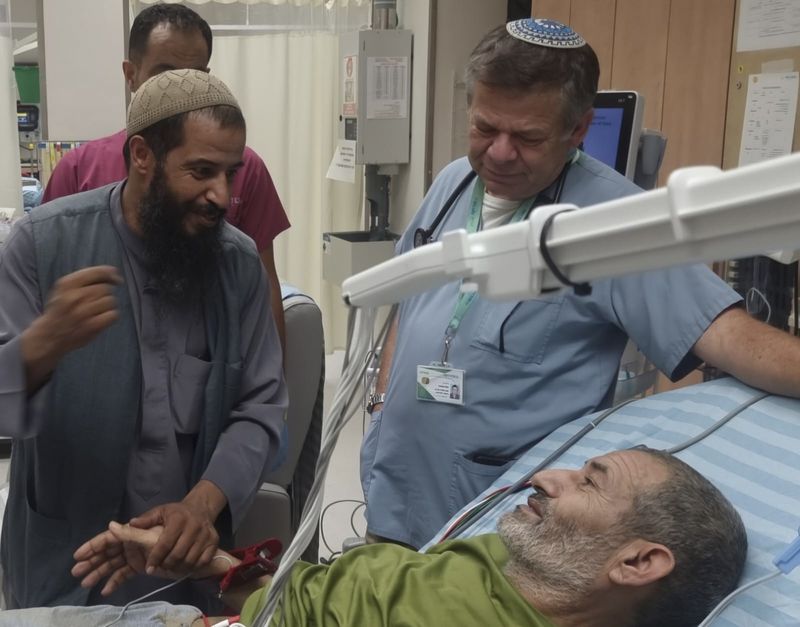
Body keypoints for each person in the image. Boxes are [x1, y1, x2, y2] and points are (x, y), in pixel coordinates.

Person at [361, 17, 800, 549]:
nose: (498, 153)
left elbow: (727, 336)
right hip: (397, 488)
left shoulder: (613, 220)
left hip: (498, 517)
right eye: (484, 127)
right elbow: (411, 299)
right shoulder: (455, 183)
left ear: (578, 130)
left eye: (526, 137)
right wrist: (384, 399)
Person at [0, 69, 287, 609]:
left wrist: (202, 506)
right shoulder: (41, 247)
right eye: (201, 172)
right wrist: (40, 347)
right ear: (142, 156)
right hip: (66, 568)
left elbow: (261, 405)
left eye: (230, 173)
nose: (220, 195)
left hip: (186, 571)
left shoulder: (237, 264)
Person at [55, 447, 746, 627]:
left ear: (639, 561)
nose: (546, 475)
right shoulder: (509, 558)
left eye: (590, 481)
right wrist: (222, 563)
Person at [41, 3, 290, 352]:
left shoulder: (244, 170)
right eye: (164, 74)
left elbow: (264, 285)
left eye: (195, 75)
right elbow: (47, 289)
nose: (181, 89)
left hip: (206, 357)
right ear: (131, 75)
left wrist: (276, 389)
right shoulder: (80, 170)